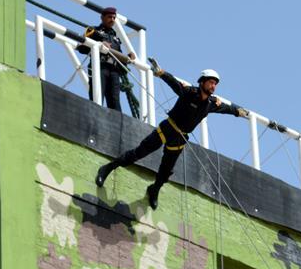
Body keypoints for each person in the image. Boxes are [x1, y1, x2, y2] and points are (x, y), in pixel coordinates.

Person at [95, 60, 249, 209]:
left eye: (215, 83)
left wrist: (238, 112)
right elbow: (175, 84)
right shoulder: (189, 92)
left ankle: (154, 190)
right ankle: (107, 168)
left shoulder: (211, 104)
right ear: (202, 82)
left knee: (166, 171)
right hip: (167, 129)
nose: (213, 86)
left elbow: (227, 109)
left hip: (179, 138)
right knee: (139, 153)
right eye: (211, 82)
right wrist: (161, 73)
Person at [77, 7, 136, 111]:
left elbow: (119, 57)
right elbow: (81, 48)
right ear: (102, 17)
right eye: (109, 17)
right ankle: (94, 115)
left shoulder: (115, 38)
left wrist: (128, 57)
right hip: (100, 67)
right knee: (97, 95)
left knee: (115, 101)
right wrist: (98, 44)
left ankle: (116, 123)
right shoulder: (93, 31)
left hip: (114, 71)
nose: (112, 19)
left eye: (114, 17)